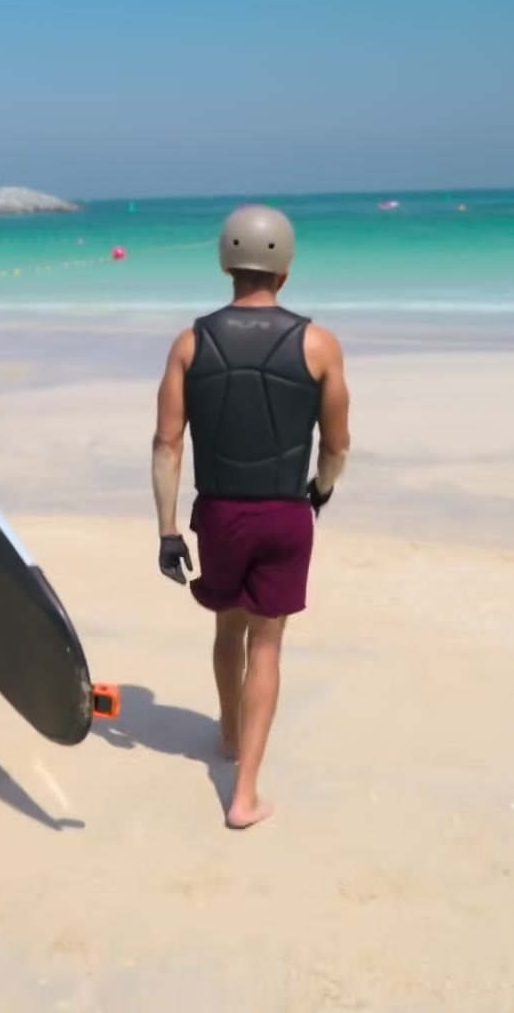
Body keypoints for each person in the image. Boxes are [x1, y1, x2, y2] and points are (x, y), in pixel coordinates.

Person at [151, 203, 352, 829]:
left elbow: (167, 443)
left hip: (219, 513)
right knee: (267, 645)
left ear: (225, 265)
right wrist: (320, 491)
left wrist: (167, 531)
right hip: (285, 513)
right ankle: (245, 795)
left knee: (228, 628)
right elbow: (337, 444)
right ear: (285, 271)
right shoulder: (319, 344)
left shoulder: (191, 342)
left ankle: (230, 734)